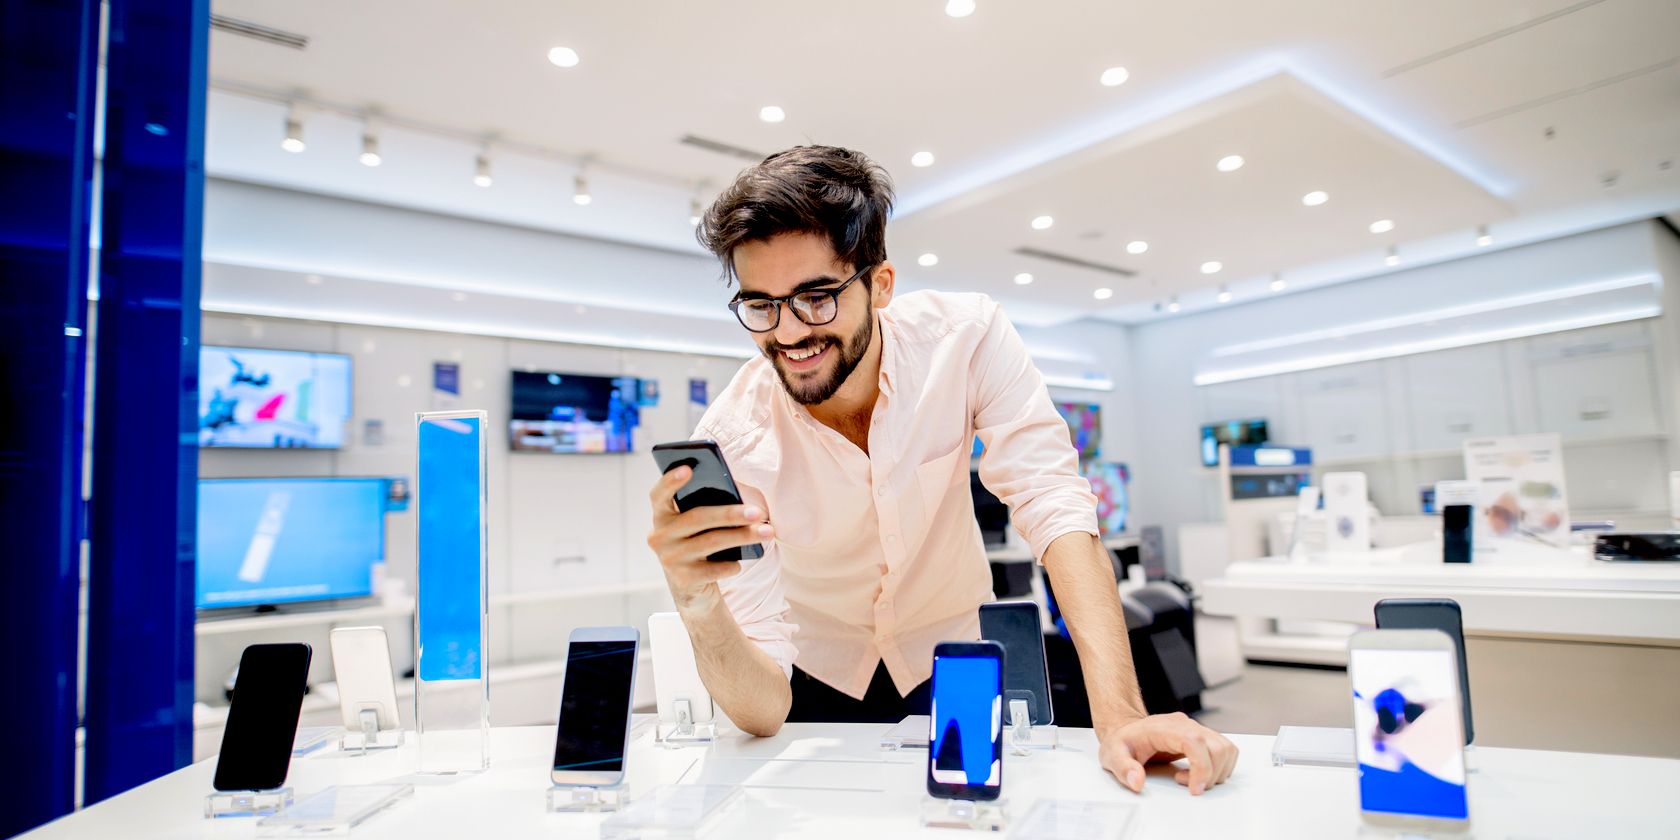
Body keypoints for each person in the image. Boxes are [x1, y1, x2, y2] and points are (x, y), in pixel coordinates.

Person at [646, 145, 1237, 795]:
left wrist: (1121, 715)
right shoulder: (734, 439)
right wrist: (696, 598)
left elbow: (1053, 505)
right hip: (815, 679)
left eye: (816, 298)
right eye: (762, 306)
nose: (788, 334)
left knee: (975, 814)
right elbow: (762, 712)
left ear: (880, 285)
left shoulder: (967, 339)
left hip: (954, 661)